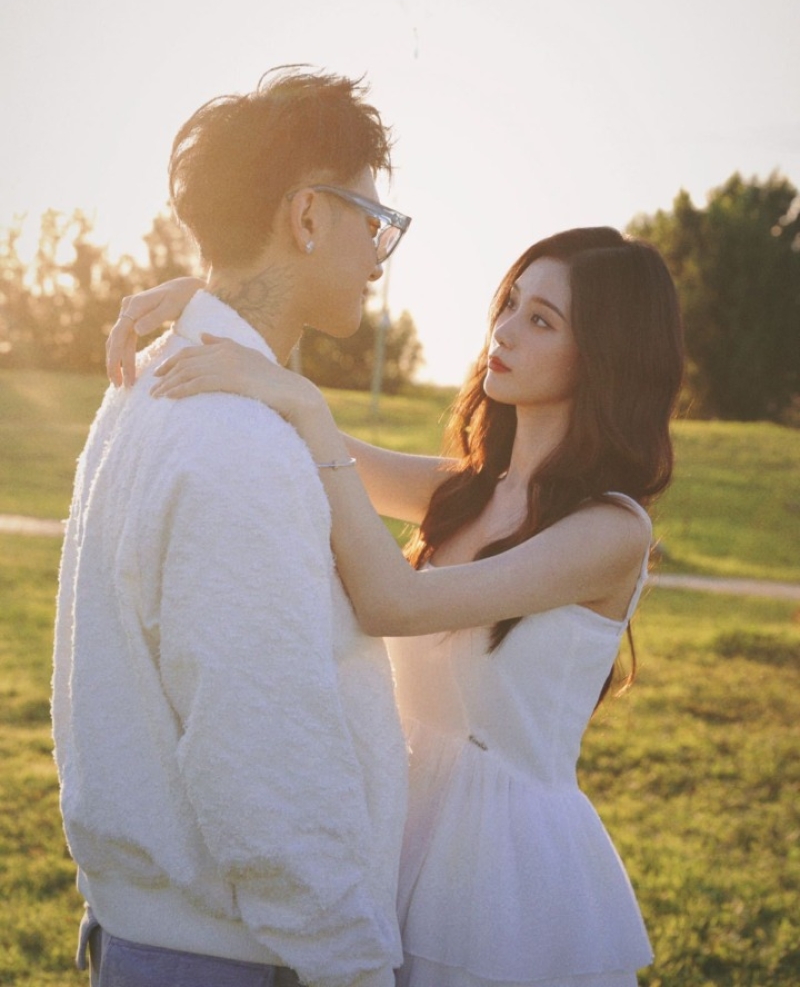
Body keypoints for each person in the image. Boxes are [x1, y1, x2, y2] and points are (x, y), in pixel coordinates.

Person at [108, 225, 684, 986]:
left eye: (542, 320)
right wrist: (212, 307)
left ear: (605, 358)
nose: (504, 331)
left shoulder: (611, 531)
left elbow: (394, 602)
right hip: (397, 822)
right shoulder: (468, 491)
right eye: (510, 304)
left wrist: (306, 402)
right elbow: (295, 435)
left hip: (501, 870)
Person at [52, 67, 414, 987]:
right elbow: (262, 749)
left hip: (157, 938)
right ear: (307, 216)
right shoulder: (237, 441)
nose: (379, 255)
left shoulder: (151, 386)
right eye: (374, 220)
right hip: (233, 957)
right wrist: (354, 963)